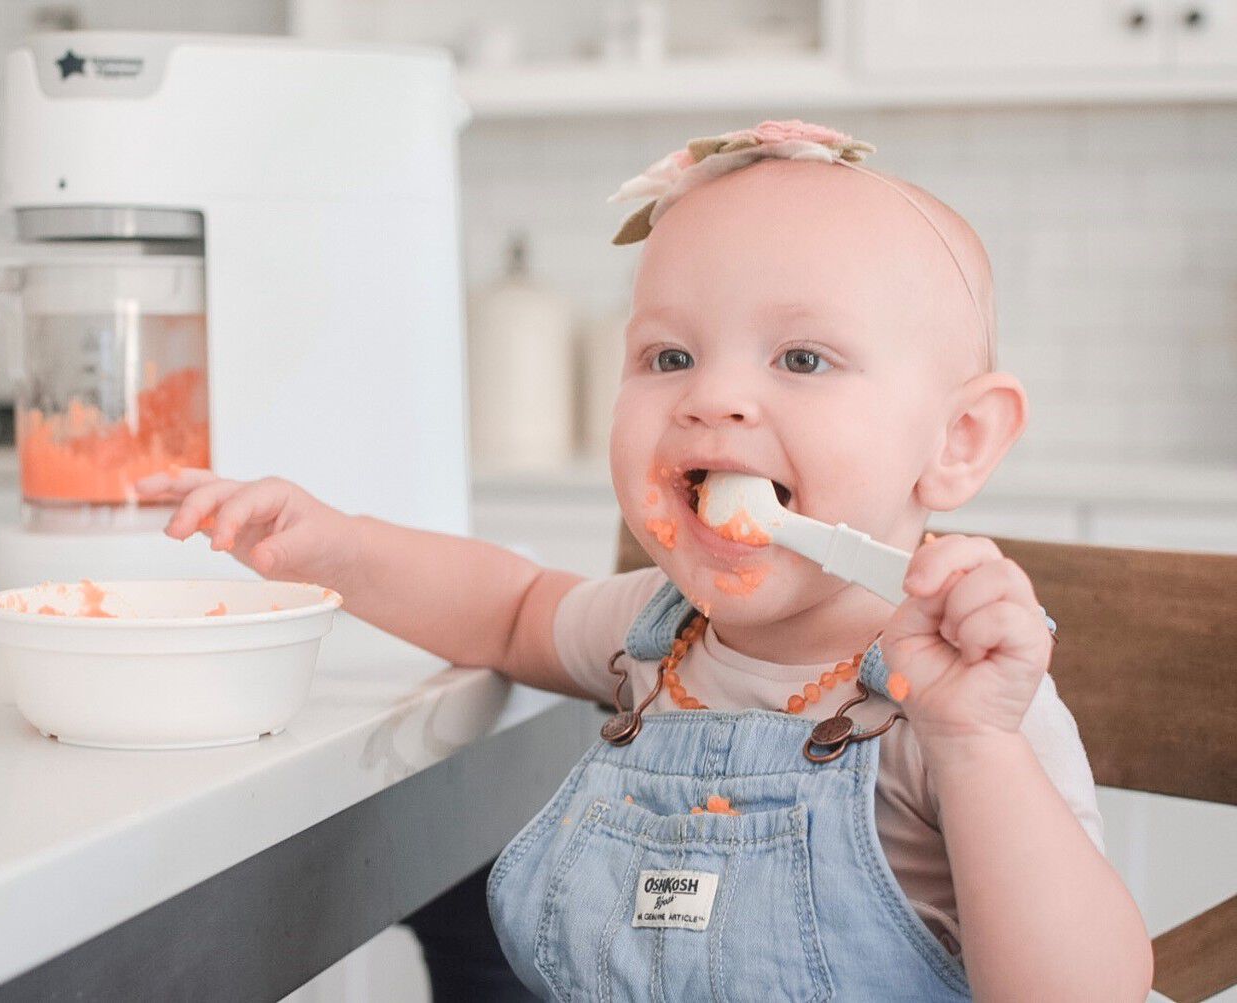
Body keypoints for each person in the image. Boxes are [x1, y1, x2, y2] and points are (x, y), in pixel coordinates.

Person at [137, 120, 1152, 1001]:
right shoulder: (657, 633)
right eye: (669, 357)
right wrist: (337, 547)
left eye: (801, 358)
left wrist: (976, 748)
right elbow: (507, 608)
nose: (710, 397)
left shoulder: (965, 706)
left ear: (958, 441)